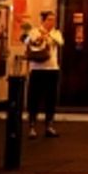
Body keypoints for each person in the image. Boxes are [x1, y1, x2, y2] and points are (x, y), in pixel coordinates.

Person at [24, 10, 65, 139]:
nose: (52, 22)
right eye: (49, 19)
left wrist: (48, 35)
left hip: (52, 69)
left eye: (53, 19)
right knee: (34, 98)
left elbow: (61, 42)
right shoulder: (35, 31)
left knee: (50, 99)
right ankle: (32, 126)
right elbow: (26, 41)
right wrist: (38, 36)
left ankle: (49, 126)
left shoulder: (56, 33)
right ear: (43, 20)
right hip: (37, 69)